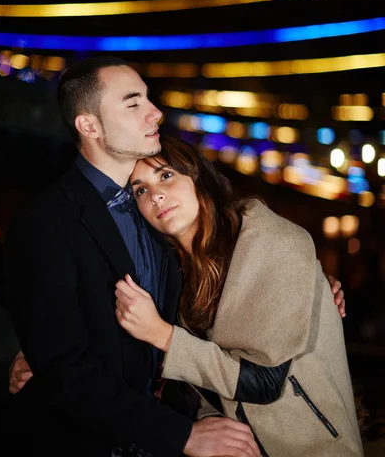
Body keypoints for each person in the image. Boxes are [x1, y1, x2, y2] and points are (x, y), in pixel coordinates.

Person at [2, 56, 261, 457]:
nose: (155, 112)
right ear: (88, 125)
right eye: (133, 102)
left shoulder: (158, 206)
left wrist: (303, 284)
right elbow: (67, 370)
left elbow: (214, 277)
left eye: (148, 99)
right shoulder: (44, 222)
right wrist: (182, 435)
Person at [113, 135, 364, 457]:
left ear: (197, 177)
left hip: (313, 447)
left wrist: (163, 336)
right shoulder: (172, 269)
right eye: (140, 190)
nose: (156, 196)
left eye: (166, 175)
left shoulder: (270, 243)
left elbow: (264, 382)